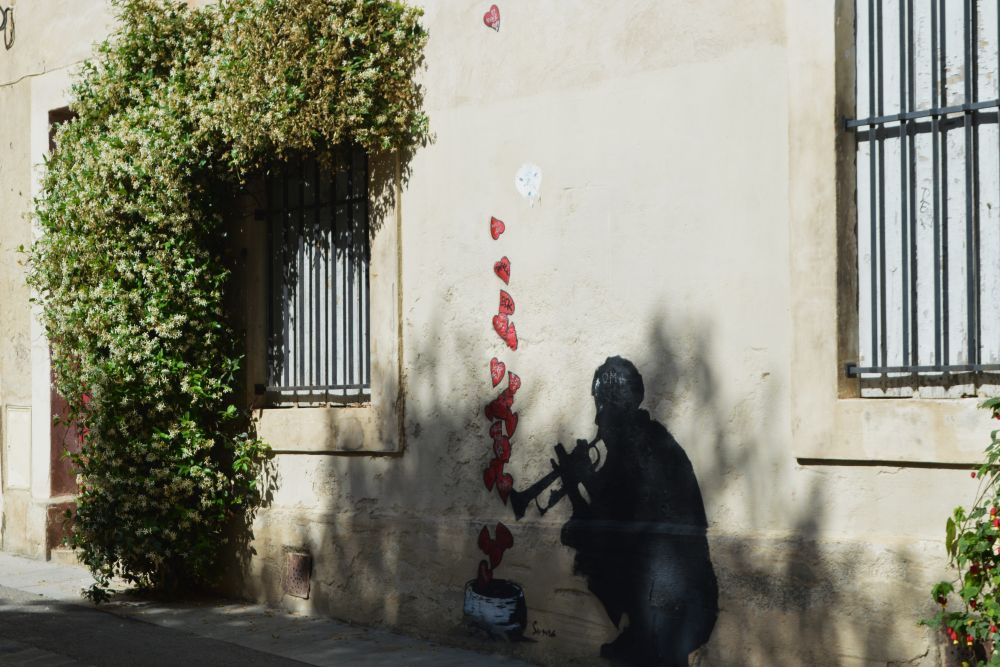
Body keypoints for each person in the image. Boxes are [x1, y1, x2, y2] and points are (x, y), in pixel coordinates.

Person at [555, 356, 718, 666]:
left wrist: (583, 477)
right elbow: (605, 512)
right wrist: (576, 484)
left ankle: (645, 634)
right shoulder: (641, 440)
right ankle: (639, 630)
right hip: (669, 585)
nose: (597, 420)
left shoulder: (643, 446)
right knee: (581, 535)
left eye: (601, 407)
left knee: (586, 541)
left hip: (676, 597)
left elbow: (613, 514)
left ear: (619, 407)